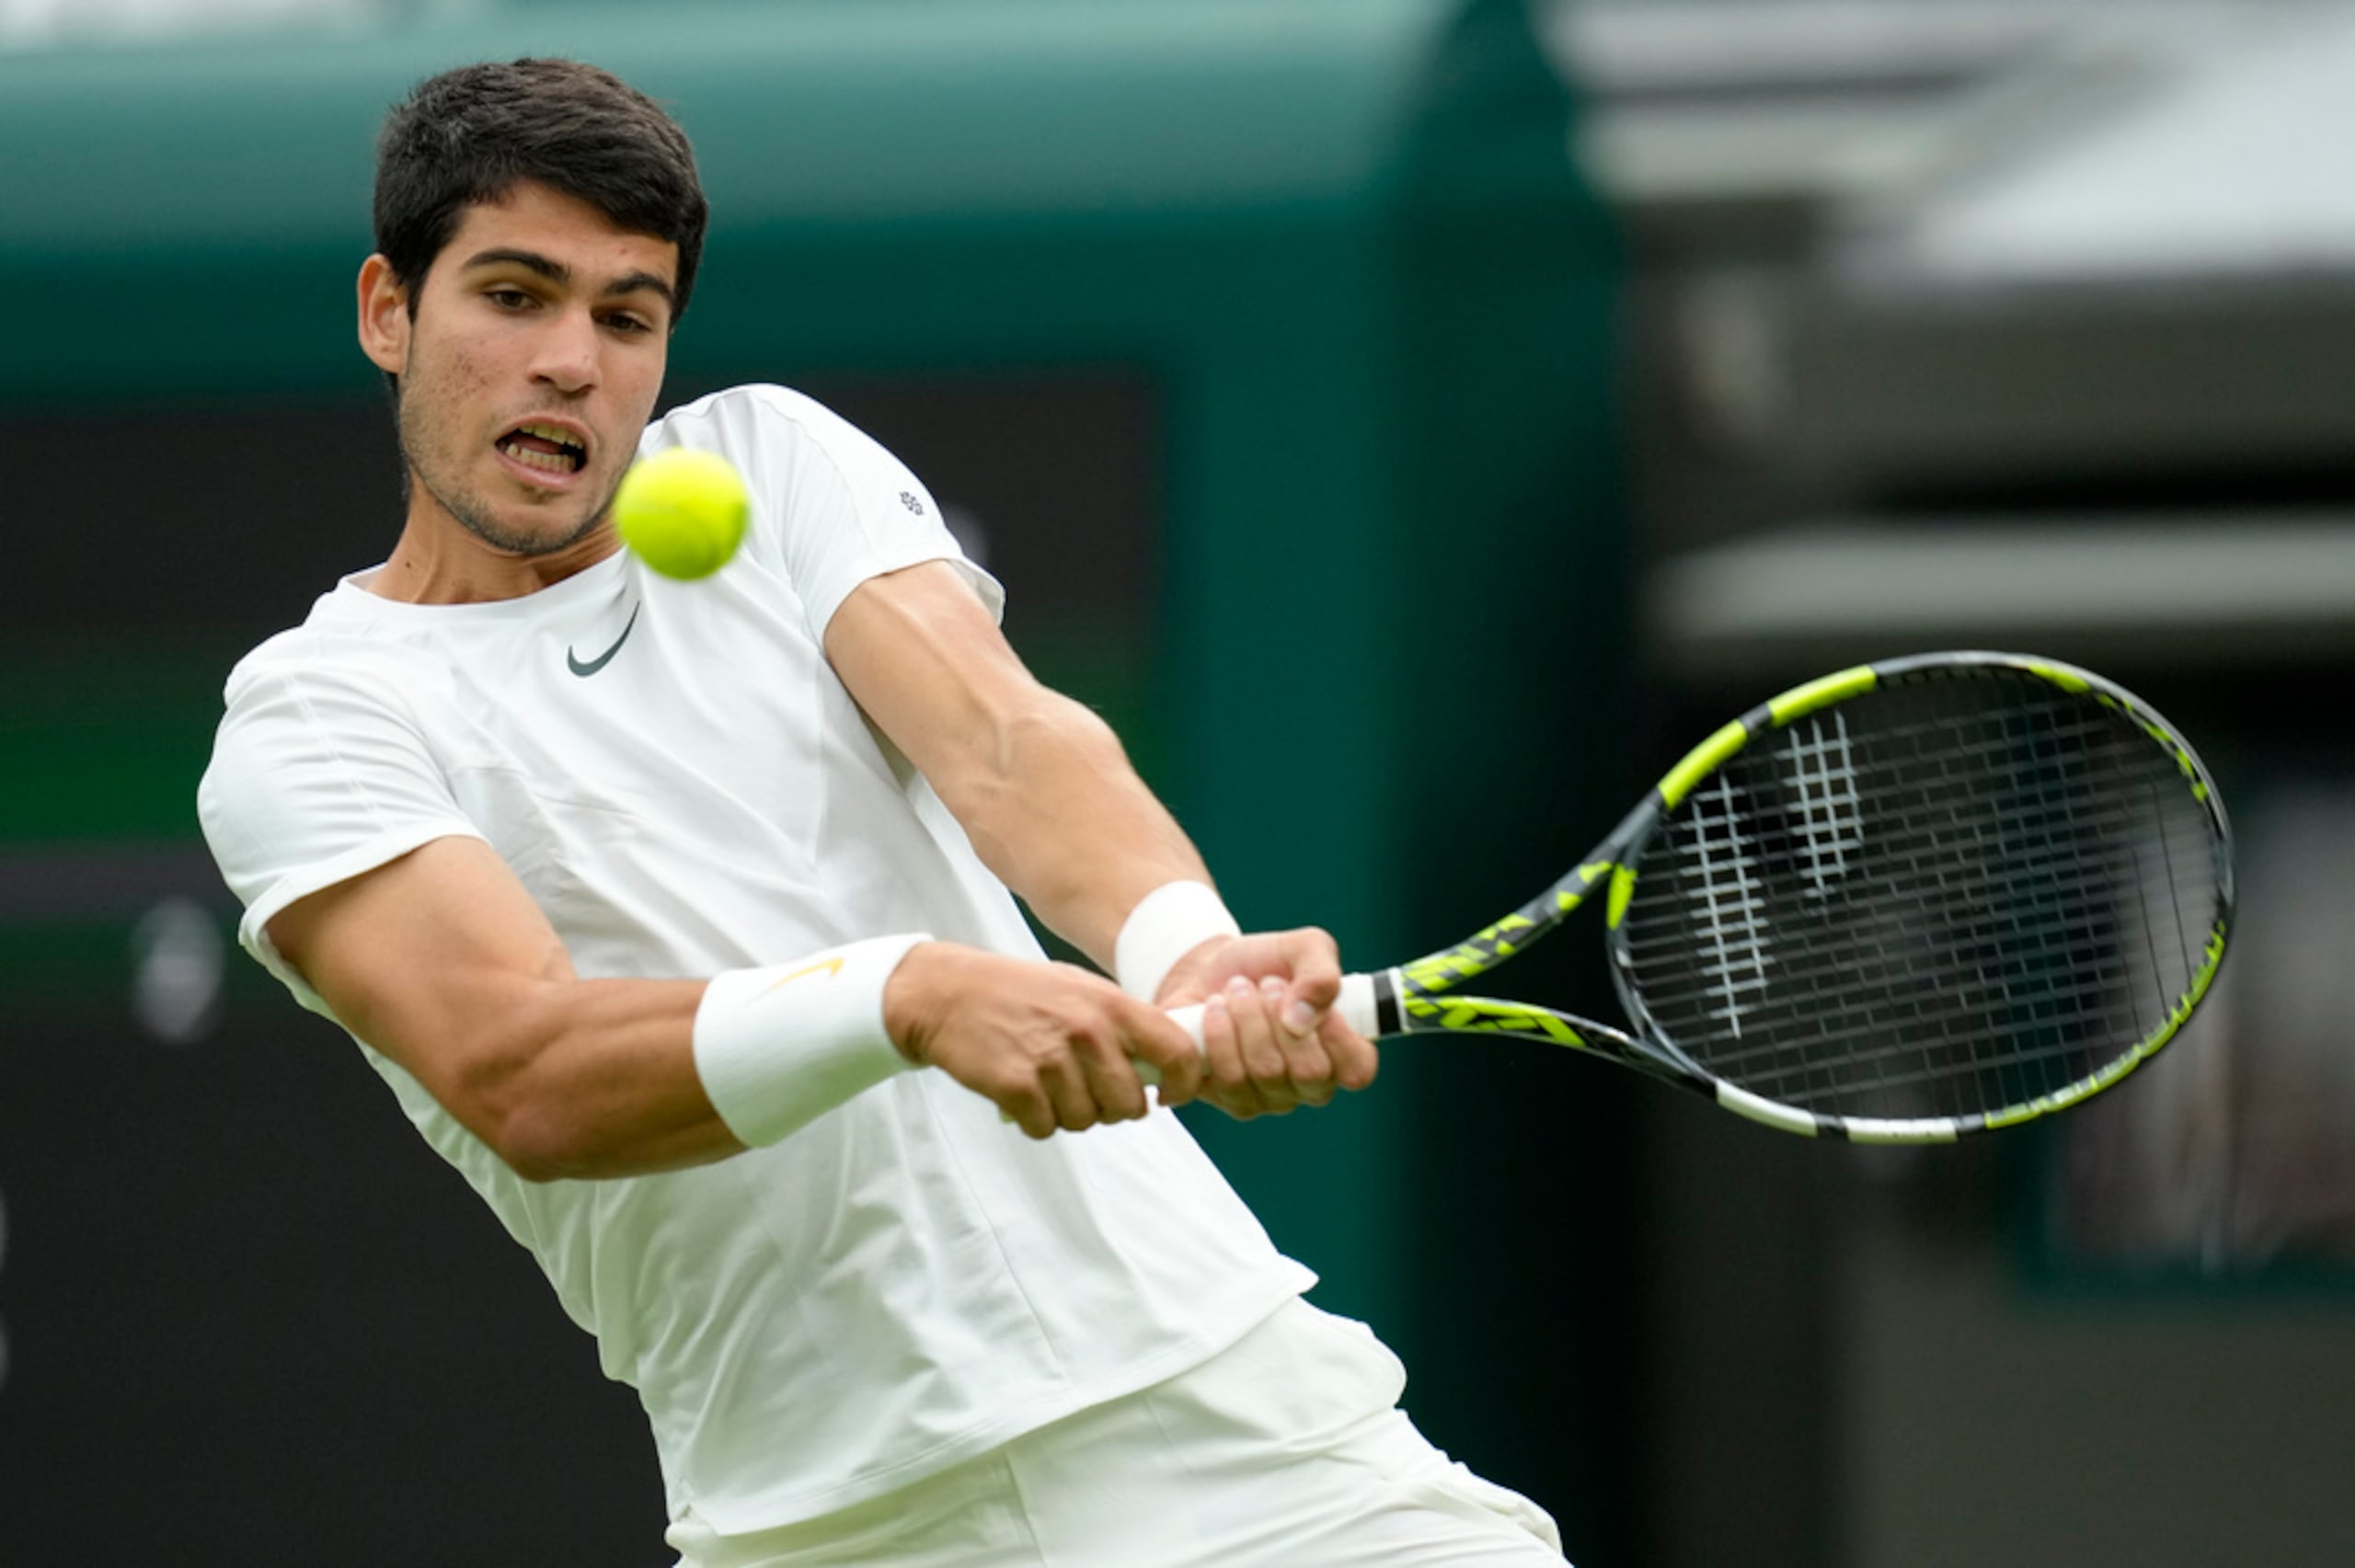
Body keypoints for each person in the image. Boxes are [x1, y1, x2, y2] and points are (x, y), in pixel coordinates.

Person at [197, 57, 1564, 1566]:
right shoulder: (315, 719)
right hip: (829, 1521)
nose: (572, 362)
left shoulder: (772, 463)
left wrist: (1183, 950)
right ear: (390, 310)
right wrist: (904, 994)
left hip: (1233, 1425)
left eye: (625, 315)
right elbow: (520, 1070)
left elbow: (1003, 737)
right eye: (514, 296)